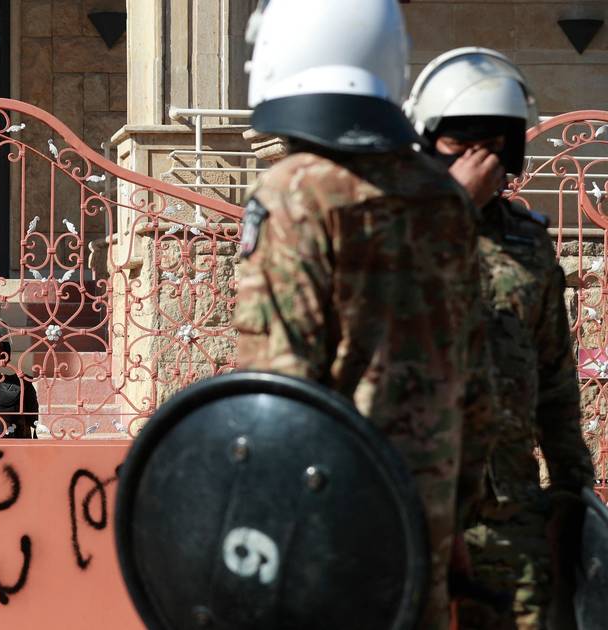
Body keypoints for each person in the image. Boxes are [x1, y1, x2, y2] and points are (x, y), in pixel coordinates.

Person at [231, 1, 497, 628]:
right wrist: (459, 519)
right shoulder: (443, 197)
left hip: (326, 523)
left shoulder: (293, 192)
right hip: (424, 524)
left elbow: (280, 388)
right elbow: (476, 384)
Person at [405, 47, 595, 630]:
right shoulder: (392, 234)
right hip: (410, 511)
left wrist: (572, 491)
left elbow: (555, 380)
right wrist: (453, 207)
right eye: (460, 143)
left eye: (492, 145)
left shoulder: (527, 245)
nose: (478, 161)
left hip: (511, 517)